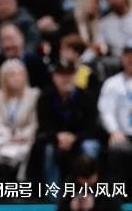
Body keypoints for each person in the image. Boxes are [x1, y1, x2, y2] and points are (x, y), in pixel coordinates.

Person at [34, 57, 99, 185]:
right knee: (48, 150)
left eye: (70, 74)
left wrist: (75, 138)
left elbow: (92, 128)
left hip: (81, 139)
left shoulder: (86, 96)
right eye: (61, 75)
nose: (66, 79)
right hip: (55, 140)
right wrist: (57, 137)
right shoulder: (45, 97)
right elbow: (44, 126)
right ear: (54, 77)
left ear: (75, 75)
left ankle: (88, 189)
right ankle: (53, 193)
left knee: (90, 147)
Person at [0, 59, 40, 182]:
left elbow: (34, 122)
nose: (16, 78)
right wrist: (8, 135)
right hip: (3, 137)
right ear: (3, 77)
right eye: (12, 75)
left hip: (24, 138)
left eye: (20, 74)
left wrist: (22, 135)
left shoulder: (33, 95)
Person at [98, 38, 132, 190]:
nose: (130, 59)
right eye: (127, 54)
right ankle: (118, 195)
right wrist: (114, 130)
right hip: (122, 135)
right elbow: (106, 111)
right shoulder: (112, 83)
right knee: (117, 150)